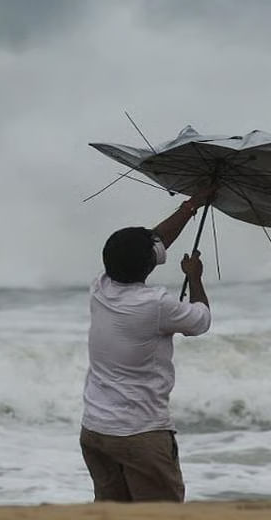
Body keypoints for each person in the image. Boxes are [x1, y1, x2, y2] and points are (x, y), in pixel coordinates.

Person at [80, 189, 213, 503]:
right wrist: (195, 277)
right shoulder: (156, 304)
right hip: (139, 433)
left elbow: (155, 241)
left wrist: (191, 205)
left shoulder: (100, 286)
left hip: (96, 430)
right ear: (149, 264)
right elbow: (201, 320)